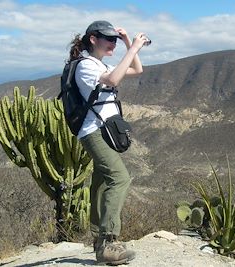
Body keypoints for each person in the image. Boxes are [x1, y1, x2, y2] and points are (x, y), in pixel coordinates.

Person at [67, 20, 148, 265]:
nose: (112, 43)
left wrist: (127, 44)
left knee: (102, 185)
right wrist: (132, 48)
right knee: (119, 178)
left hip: (104, 131)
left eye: (114, 39)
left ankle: (100, 244)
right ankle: (109, 241)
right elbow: (113, 80)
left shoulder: (98, 63)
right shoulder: (85, 66)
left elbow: (136, 70)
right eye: (108, 38)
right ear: (93, 39)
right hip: (92, 132)